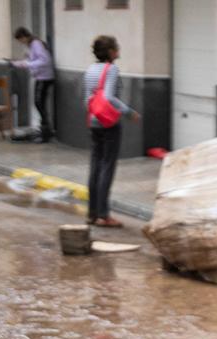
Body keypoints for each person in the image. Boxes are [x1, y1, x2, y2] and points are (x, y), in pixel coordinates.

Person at [84, 36, 139, 228]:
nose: (118, 51)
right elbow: (108, 97)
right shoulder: (112, 69)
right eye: (116, 48)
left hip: (94, 121)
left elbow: (87, 99)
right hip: (109, 123)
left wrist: (94, 115)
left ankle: (91, 213)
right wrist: (128, 112)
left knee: (95, 166)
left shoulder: (90, 69)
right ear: (110, 51)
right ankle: (103, 215)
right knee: (107, 166)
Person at [9, 27, 55, 142]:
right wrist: (20, 63)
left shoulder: (36, 44)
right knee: (38, 103)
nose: (21, 43)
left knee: (39, 103)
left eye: (20, 40)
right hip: (40, 76)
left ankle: (45, 130)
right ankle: (44, 128)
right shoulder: (32, 45)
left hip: (45, 77)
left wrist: (27, 64)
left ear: (24, 36)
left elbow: (45, 60)